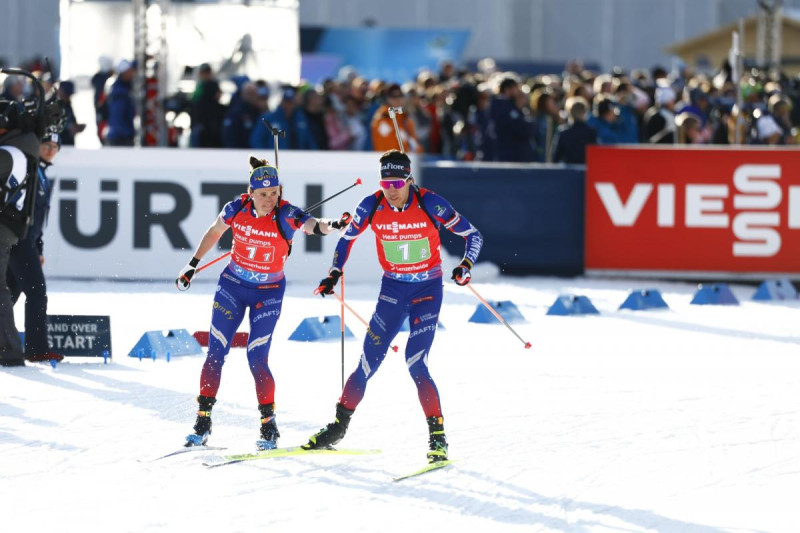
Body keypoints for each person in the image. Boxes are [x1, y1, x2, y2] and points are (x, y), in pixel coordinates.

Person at [303, 149, 483, 464]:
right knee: (367, 363)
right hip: (392, 291)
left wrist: (466, 265)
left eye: (397, 183)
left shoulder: (430, 202)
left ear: (409, 180)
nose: (391, 189)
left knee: (416, 362)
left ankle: (437, 438)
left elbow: (473, 235)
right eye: (386, 182)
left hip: (427, 291)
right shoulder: (370, 205)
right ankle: (338, 426)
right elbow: (346, 240)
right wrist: (334, 273)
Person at [177, 155, 351, 449]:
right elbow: (215, 231)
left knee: (257, 358)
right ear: (251, 193)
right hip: (232, 287)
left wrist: (333, 224)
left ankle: (268, 426)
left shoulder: (286, 213)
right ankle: (203, 420)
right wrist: (192, 264)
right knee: (216, 353)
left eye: (274, 193)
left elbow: (311, 225)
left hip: (268, 292)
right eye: (263, 194)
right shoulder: (237, 208)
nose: (269, 199)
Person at [7, 131, 62, 362]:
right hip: (19, 241)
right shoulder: (29, 171)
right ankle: (36, 348)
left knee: (8, 294)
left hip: (25, 241)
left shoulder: (41, 175)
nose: (50, 150)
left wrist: (38, 248)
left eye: (54, 147)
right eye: (46, 145)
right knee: (37, 292)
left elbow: (36, 220)